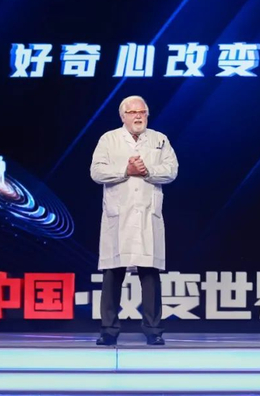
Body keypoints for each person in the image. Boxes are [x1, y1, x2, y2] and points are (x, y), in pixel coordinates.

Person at [90, 95, 178, 346]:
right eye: (132, 112)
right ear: (123, 116)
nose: (138, 116)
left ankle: (153, 330)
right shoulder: (109, 139)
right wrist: (125, 171)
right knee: (113, 273)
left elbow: (172, 170)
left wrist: (147, 171)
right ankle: (108, 330)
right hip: (119, 216)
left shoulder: (160, 139)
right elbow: (96, 171)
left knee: (150, 274)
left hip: (148, 215)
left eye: (142, 112)